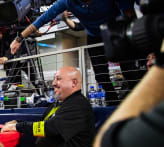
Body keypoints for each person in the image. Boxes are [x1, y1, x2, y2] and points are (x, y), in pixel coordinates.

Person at [10, 0, 142, 105]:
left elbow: (129, 13)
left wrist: (136, 38)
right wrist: (19, 39)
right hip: (94, 38)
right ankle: (113, 103)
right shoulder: (67, 2)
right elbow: (42, 19)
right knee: (101, 76)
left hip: (117, 32)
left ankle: (138, 99)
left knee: (129, 70)